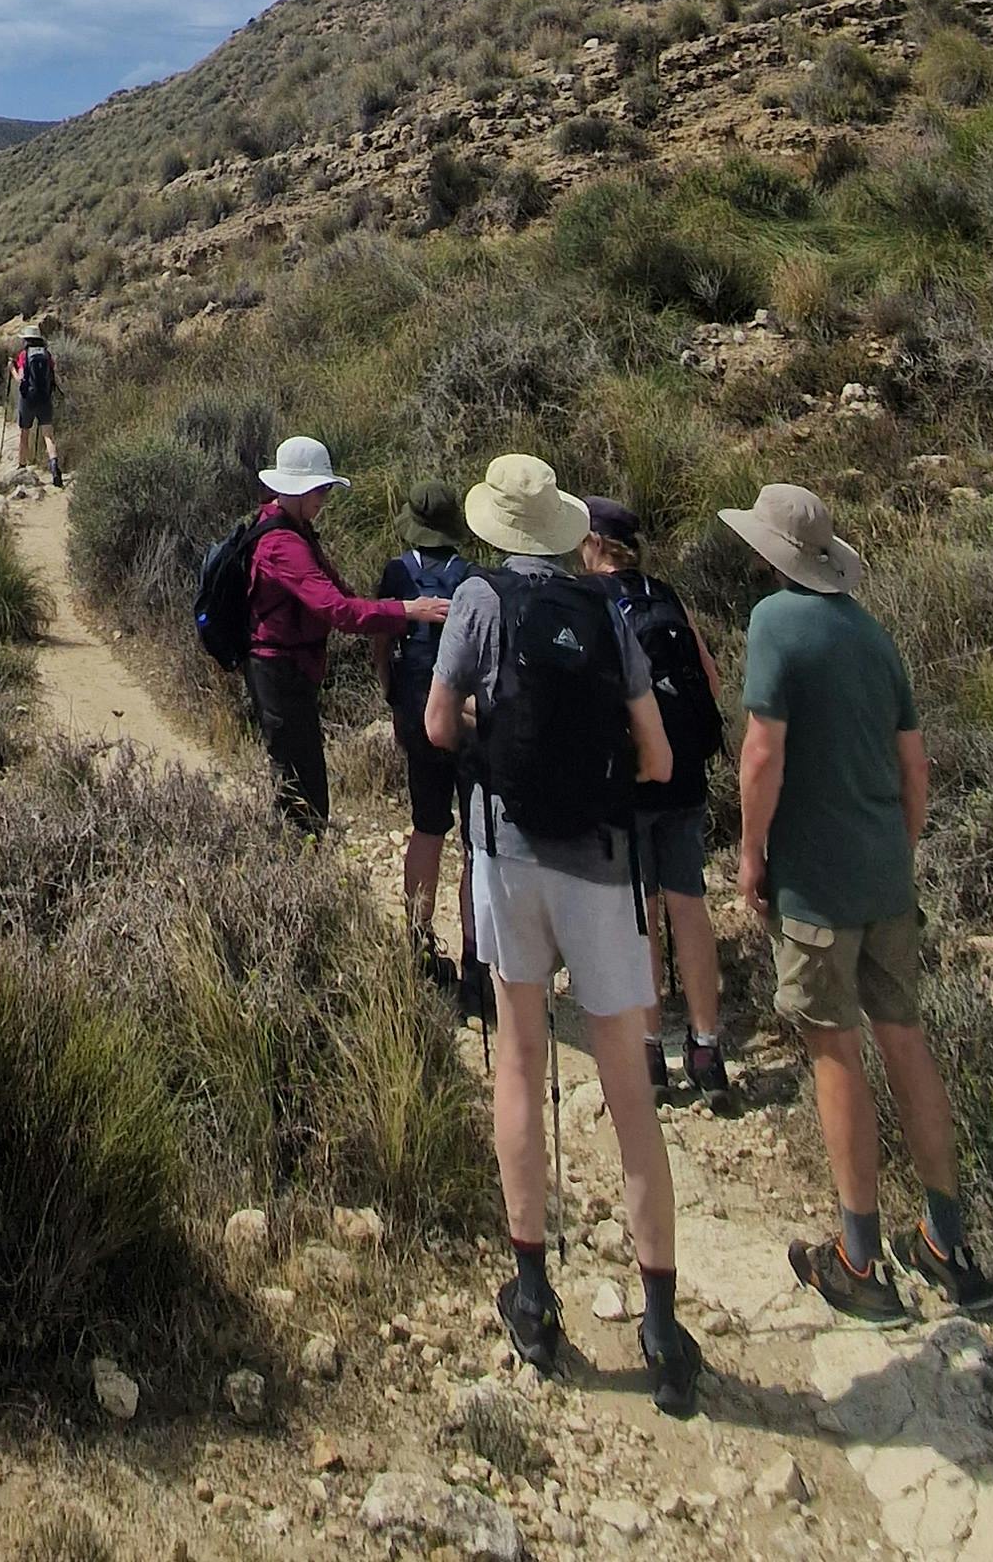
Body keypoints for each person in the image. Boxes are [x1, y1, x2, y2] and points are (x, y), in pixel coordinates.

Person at [423, 453, 701, 1418]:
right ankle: (661, 1326)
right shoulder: (607, 611)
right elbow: (657, 757)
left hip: (508, 856)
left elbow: (438, 724)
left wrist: (495, 735)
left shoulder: (477, 602)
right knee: (631, 1093)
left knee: (519, 1059)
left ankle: (534, 1296)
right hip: (602, 862)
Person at [720, 484, 993, 1321]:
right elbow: (916, 767)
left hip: (818, 880)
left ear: (772, 556)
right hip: (885, 876)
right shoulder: (874, 637)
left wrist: (751, 854)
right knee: (905, 1041)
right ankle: (948, 1245)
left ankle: (859, 1260)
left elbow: (762, 755)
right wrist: (897, 849)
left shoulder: (775, 622)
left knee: (834, 1050)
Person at [578, 497, 733, 1108]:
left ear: (594, 543)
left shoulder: (592, 600)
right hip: (686, 774)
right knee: (689, 904)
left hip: (631, 777)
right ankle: (707, 1047)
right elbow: (710, 683)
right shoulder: (665, 594)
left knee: (639, 910)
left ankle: (649, 1051)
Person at [241, 436, 412, 833]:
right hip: (278, 669)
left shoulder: (288, 525)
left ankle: (298, 847)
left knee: (297, 767)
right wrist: (406, 612)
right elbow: (338, 611)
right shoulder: (283, 543)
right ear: (300, 490)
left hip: (287, 666)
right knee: (300, 777)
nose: (325, 499)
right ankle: (298, 853)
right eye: (321, 490)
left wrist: (379, 610)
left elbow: (339, 594)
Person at [373, 481, 483, 1009]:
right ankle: (476, 962)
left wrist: (391, 693)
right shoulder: (472, 577)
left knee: (427, 825)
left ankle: (418, 945)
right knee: (476, 842)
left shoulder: (397, 573)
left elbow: (381, 639)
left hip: (416, 710)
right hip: (466, 715)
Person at [9, 325, 60, 485]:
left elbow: (20, 379)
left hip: (28, 398)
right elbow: (52, 373)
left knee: (24, 433)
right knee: (48, 435)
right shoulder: (47, 354)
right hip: (45, 398)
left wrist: (12, 369)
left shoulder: (24, 355)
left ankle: (22, 465)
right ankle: (54, 466)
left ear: (27, 340)